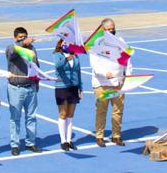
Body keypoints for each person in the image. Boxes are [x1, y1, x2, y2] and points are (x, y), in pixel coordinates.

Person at [91, 18, 131, 147]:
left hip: (119, 83)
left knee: (118, 111)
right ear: (103, 30)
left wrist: (128, 76)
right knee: (101, 110)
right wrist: (104, 73)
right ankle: (100, 136)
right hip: (102, 83)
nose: (111, 31)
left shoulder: (121, 42)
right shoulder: (97, 44)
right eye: (108, 29)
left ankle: (116, 135)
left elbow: (127, 61)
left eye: (112, 28)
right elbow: (94, 65)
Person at [5, 26, 42, 155]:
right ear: (15, 38)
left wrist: (37, 82)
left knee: (31, 116)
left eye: (25, 36)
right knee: (15, 117)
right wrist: (23, 43)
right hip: (16, 88)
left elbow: (36, 65)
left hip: (30, 87)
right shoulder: (12, 48)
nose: (23, 39)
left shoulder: (32, 49)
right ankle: (15, 145)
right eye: (20, 37)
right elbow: (13, 53)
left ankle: (30, 142)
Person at [52, 38, 82, 151]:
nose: (66, 44)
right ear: (60, 43)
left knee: (70, 114)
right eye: (64, 42)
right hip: (62, 87)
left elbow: (78, 72)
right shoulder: (57, 54)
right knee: (63, 114)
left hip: (73, 87)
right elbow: (58, 65)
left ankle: (69, 140)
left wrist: (80, 88)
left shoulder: (75, 55)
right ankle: (63, 140)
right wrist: (66, 58)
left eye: (68, 42)